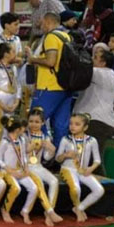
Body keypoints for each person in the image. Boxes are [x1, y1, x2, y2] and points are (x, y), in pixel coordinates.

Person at [0, 115, 62, 227]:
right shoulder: (9, 140)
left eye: (37, 121)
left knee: (36, 188)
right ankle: (5, 209)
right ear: (18, 129)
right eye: (27, 124)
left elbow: (24, 157)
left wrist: (26, 167)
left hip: (24, 168)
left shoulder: (23, 139)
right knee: (19, 187)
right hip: (9, 170)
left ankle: (27, 211)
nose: (28, 126)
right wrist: (7, 168)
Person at [27, 12, 72, 146]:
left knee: (35, 121)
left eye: (42, 24)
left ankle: (39, 153)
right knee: (61, 125)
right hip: (65, 87)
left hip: (49, 86)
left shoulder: (51, 37)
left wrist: (32, 59)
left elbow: (50, 61)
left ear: (47, 22)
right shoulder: (67, 36)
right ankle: (59, 154)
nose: (41, 27)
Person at [73, 49, 114, 172]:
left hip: (96, 122)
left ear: (103, 63)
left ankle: (102, 184)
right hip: (101, 121)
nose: (91, 60)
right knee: (87, 159)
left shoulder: (99, 73)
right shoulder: (111, 73)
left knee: (92, 160)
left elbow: (80, 69)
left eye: (95, 57)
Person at [56, 113, 104, 222]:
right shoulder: (65, 139)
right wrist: (65, 155)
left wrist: (91, 168)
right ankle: (78, 208)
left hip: (83, 170)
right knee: (76, 188)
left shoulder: (92, 140)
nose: (73, 126)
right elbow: (57, 159)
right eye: (71, 124)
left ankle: (79, 208)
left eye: (77, 124)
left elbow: (97, 160)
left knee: (99, 190)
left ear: (85, 127)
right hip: (68, 169)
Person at [0, 42, 21, 137]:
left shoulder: (13, 68)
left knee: (10, 126)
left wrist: (17, 101)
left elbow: (18, 84)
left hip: (12, 100)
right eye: (13, 52)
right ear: (6, 54)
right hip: (0, 100)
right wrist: (1, 104)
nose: (15, 54)